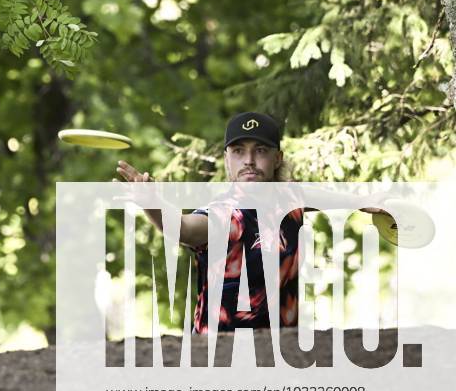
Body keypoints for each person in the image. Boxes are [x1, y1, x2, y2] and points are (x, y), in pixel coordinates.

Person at [114, 111, 381, 334]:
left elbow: (313, 195)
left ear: (277, 158)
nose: (249, 161)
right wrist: (151, 203)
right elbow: (184, 229)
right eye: (239, 151)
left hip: (282, 353)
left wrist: (363, 202)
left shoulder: (290, 197)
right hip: (217, 359)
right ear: (227, 160)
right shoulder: (225, 215)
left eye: (260, 151)